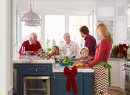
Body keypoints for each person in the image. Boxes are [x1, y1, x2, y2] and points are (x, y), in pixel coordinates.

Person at [83, 23, 113, 95]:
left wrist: (88, 65)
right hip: (103, 67)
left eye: (97, 31)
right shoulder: (108, 40)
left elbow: (99, 58)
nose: (97, 33)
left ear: (101, 31)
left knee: (97, 91)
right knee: (102, 90)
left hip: (99, 68)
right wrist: (89, 60)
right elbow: (99, 56)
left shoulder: (103, 41)